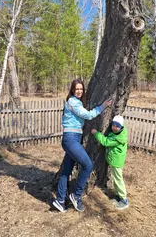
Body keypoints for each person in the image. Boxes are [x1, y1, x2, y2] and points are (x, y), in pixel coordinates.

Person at [52, 79, 112, 213]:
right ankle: (76, 195)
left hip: (73, 139)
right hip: (71, 139)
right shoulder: (73, 102)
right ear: (72, 90)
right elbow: (88, 115)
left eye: (81, 89)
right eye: (77, 89)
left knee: (66, 172)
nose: (79, 91)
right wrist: (102, 107)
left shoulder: (76, 102)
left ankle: (60, 201)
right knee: (88, 165)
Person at [91, 114, 129, 210]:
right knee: (116, 179)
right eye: (113, 125)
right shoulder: (118, 133)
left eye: (117, 126)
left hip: (117, 161)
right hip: (115, 160)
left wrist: (96, 133)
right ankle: (118, 196)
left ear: (121, 127)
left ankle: (124, 200)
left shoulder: (118, 138)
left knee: (118, 179)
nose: (115, 128)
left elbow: (106, 142)